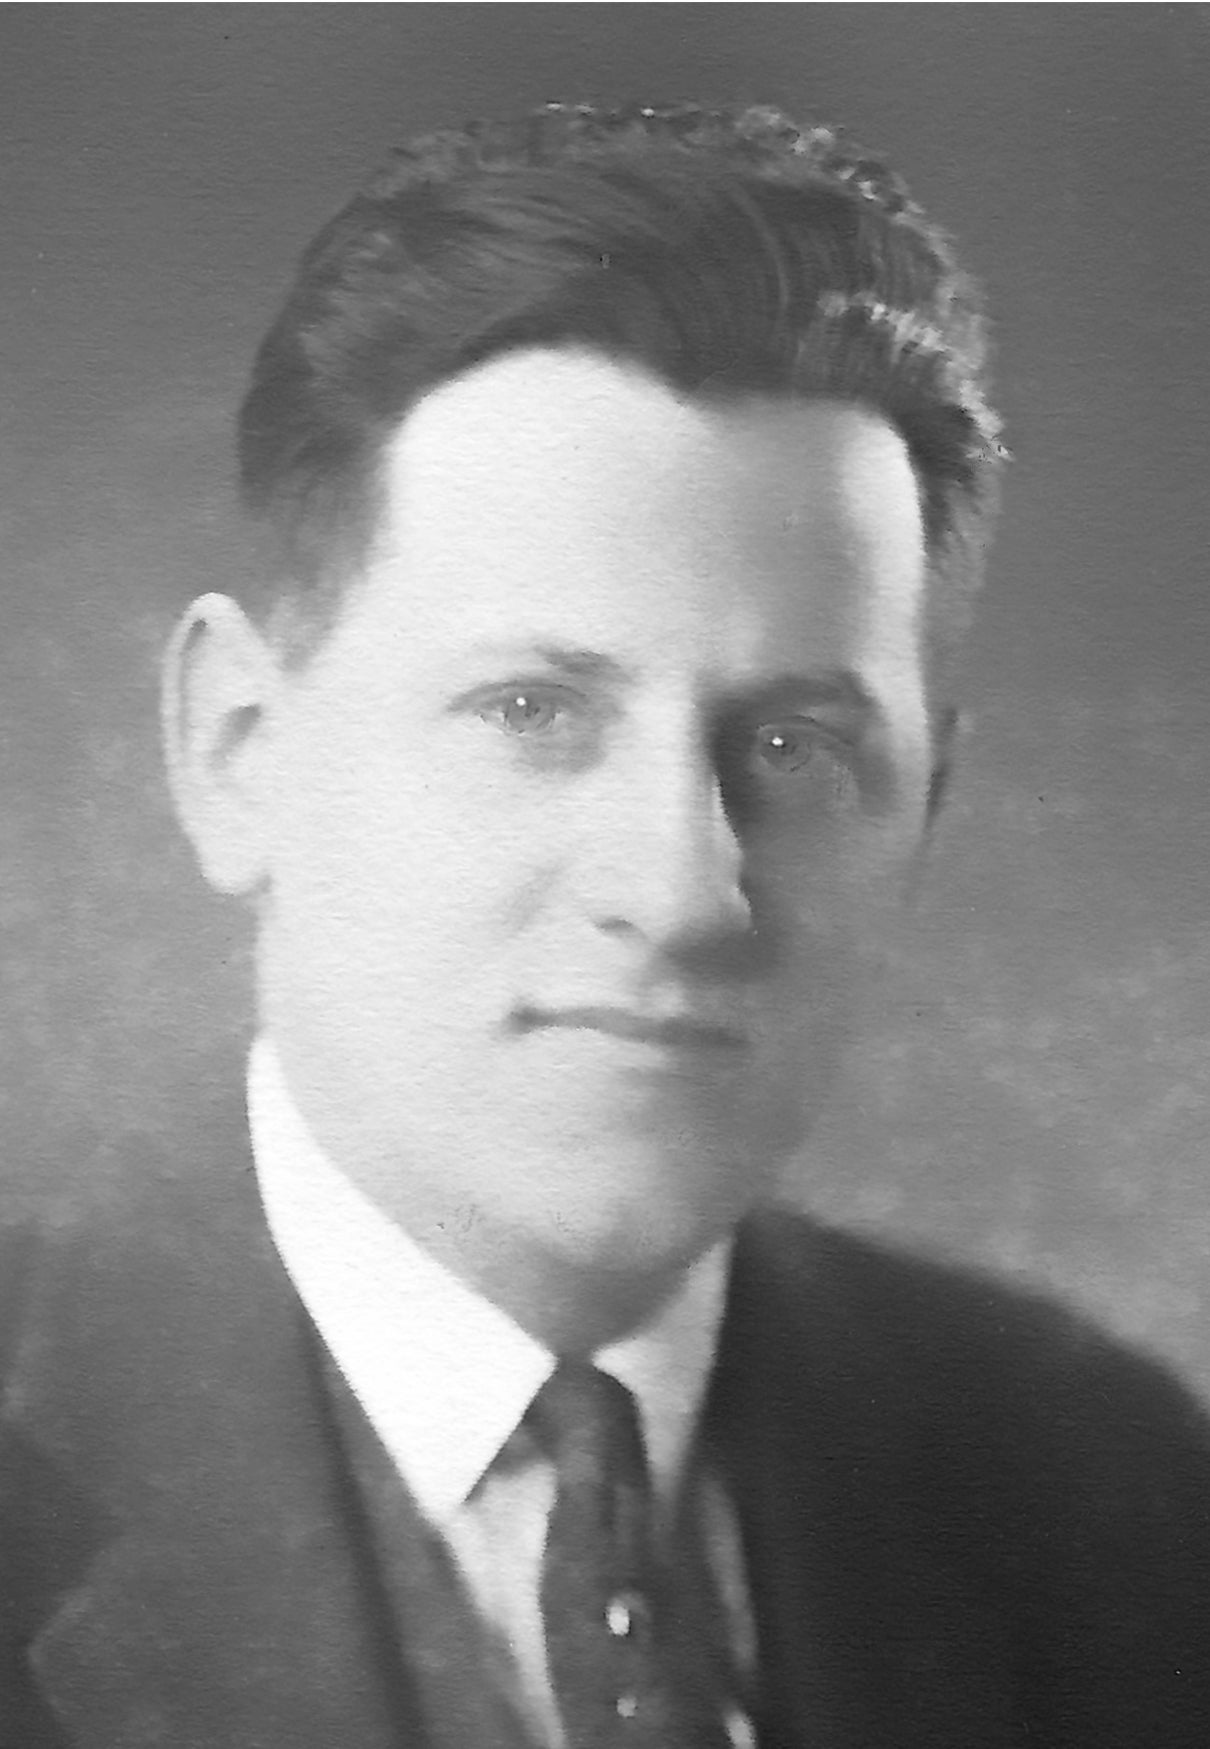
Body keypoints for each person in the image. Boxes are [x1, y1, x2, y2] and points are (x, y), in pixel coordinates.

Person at [2, 101, 1208, 1749]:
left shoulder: (1113, 1493)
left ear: (923, 811)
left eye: (794, 747)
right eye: (531, 710)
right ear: (240, 753)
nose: (683, 887)